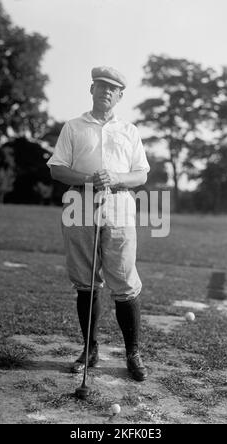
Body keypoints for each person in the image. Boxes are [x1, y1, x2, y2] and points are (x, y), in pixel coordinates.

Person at [47, 66, 150, 381]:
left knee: (124, 281)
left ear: (120, 96)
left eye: (113, 88)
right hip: (79, 204)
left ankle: (133, 353)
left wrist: (117, 177)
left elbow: (142, 174)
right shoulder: (74, 127)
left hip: (119, 207)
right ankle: (89, 350)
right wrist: (89, 179)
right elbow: (57, 169)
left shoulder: (130, 131)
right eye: (101, 86)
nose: (106, 91)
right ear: (91, 89)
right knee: (85, 281)